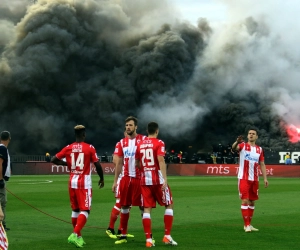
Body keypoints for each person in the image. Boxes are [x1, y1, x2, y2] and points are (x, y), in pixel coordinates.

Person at [51, 125, 104, 248]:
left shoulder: (69, 147)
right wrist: (101, 178)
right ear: (84, 134)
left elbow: (54, 159)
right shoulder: (89, 148)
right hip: (84, 183)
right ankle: (75, 234)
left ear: (75, 135)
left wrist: (67, 164)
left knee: (75, 210)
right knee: (85, 210)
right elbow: (97, 165)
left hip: (72, 182)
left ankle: (79, 237)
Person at [135, 122, 177, 247]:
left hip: (144, 180)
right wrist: (165, 178)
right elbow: (161, 160)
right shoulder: (159, 143)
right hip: (157, 179)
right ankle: (167, 236)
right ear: (157, 131)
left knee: (147, 209)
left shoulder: (140, 144)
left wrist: (144, 170)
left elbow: (137, 163)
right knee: (169, 204)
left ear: (147, 131)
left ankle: (148, 240)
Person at [112, 116, 145, 244]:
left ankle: (149, 237)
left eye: (130, 125)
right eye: (126, 125)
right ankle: (123, 235)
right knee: (124, 206)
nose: (128, 127)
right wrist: (115, 181)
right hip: (126, 179)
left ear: (136, 126)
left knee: (143, 207)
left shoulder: (143, 140)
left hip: (140, 179)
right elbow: (118, 163)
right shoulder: (122, 142)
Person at [232, 129, 269, 233]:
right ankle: (246, 225)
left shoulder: (259, 149)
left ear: (256, 137)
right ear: (247, 136)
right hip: (243, 178)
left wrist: (265, 178)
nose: (251, 135)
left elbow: (262, 164)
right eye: (249, 134)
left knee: (252, 201)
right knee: (245, 200)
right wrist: (236, 142)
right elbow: (234, 148)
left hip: (255, 179)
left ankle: (249, 224)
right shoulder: (243, 145)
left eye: (253, 134)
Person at [106, 131, 134, 239]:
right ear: (124, 133)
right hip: (123, 177)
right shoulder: (120, 143)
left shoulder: (135, 144)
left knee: (128, 205)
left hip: (131, 178)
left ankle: (121, 230)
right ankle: (110, 228)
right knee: (119, 203)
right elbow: (115, 160)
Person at [0, 131, 12, 232]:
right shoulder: (2, 148)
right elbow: (0, 164)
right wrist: (0, 179)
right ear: (9, 138)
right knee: (2, 201)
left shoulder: (3, 148)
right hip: (0, 179)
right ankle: (2, 225)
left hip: (2, 178)